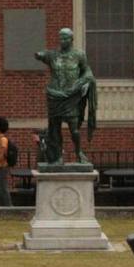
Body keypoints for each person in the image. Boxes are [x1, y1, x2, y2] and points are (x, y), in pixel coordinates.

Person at [34, 28, 96, 165]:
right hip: (54, 95)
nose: (62, 41)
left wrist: (82, 83)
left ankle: (79, 152)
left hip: (71, 96)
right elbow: (42, 54)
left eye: (65, 38)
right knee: (54, 129)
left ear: (71, 39)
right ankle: (57, 157)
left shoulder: (79, 55)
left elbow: (87, 71)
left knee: (74, 129)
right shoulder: (53, 55)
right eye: (61, 38)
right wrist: (38, 54)